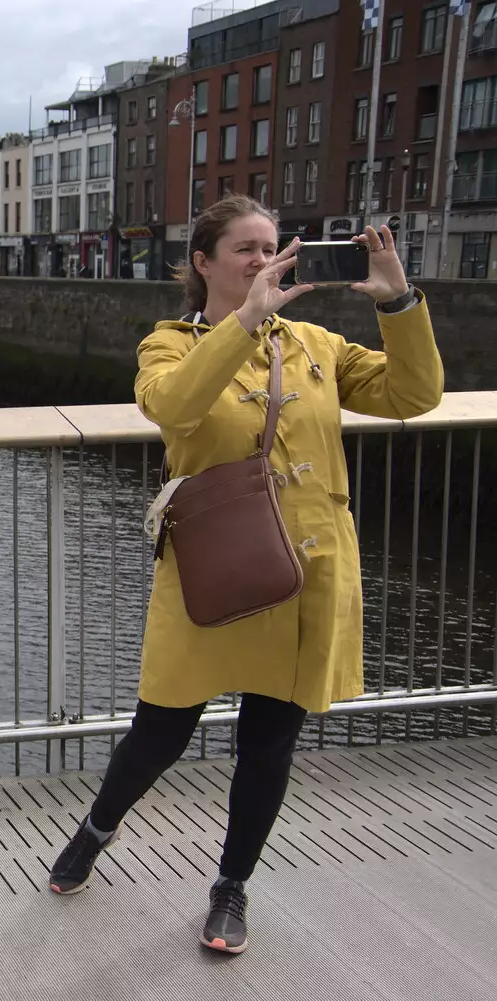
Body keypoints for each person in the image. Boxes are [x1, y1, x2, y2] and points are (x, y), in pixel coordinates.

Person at [45, 197, 443, 954]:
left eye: (272, 248)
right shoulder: (170, 343)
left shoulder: (318, 344)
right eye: (246, 250)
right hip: (213, 570)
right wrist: (245, 323)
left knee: (268, 745)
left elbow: (413, 396)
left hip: (308, 574)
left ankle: (231, 890)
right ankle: (95, 831)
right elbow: (174, 406)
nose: (265, 261)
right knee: (158, 734)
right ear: (203, 262)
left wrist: (397, 298)